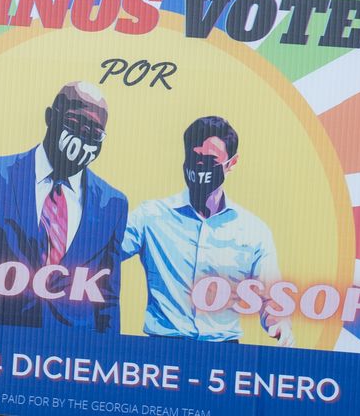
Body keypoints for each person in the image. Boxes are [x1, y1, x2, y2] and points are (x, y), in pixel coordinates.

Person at [0, 81, 126, 332]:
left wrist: (109, 357)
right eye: (75, 124)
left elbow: (107, 297)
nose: (83, 137)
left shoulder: (113, 205)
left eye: (94, 133)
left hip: (72, 354)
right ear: (50, 117)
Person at [121, 115, 292, 345]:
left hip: (224, 354)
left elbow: (271, 297)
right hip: (162, 350)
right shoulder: (150, 217)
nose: (200, 166)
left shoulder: (254, 231)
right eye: (194, 157)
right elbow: (104, 253)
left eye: (210, 159)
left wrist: (280, 325)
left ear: (231, 163)